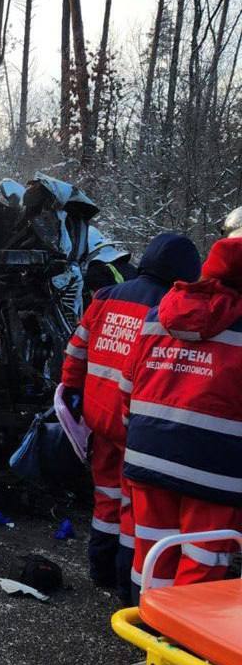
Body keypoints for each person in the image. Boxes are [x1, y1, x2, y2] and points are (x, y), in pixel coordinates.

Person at [62, 232, 202, 600]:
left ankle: (100, 567)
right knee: (135, 507)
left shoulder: (105, 297)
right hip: (137, 424)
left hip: (97, 415)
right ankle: (127, 584)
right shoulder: (172, 306)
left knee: (105, 495)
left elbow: (76, 352)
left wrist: (72, 393)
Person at [122, 236, 242, 602]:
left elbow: (129, 383)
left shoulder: (161, 312)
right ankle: (179, 648)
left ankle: (148, 636)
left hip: (147, 454)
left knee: (153, 552)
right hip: (214, 467)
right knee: (203, 558)